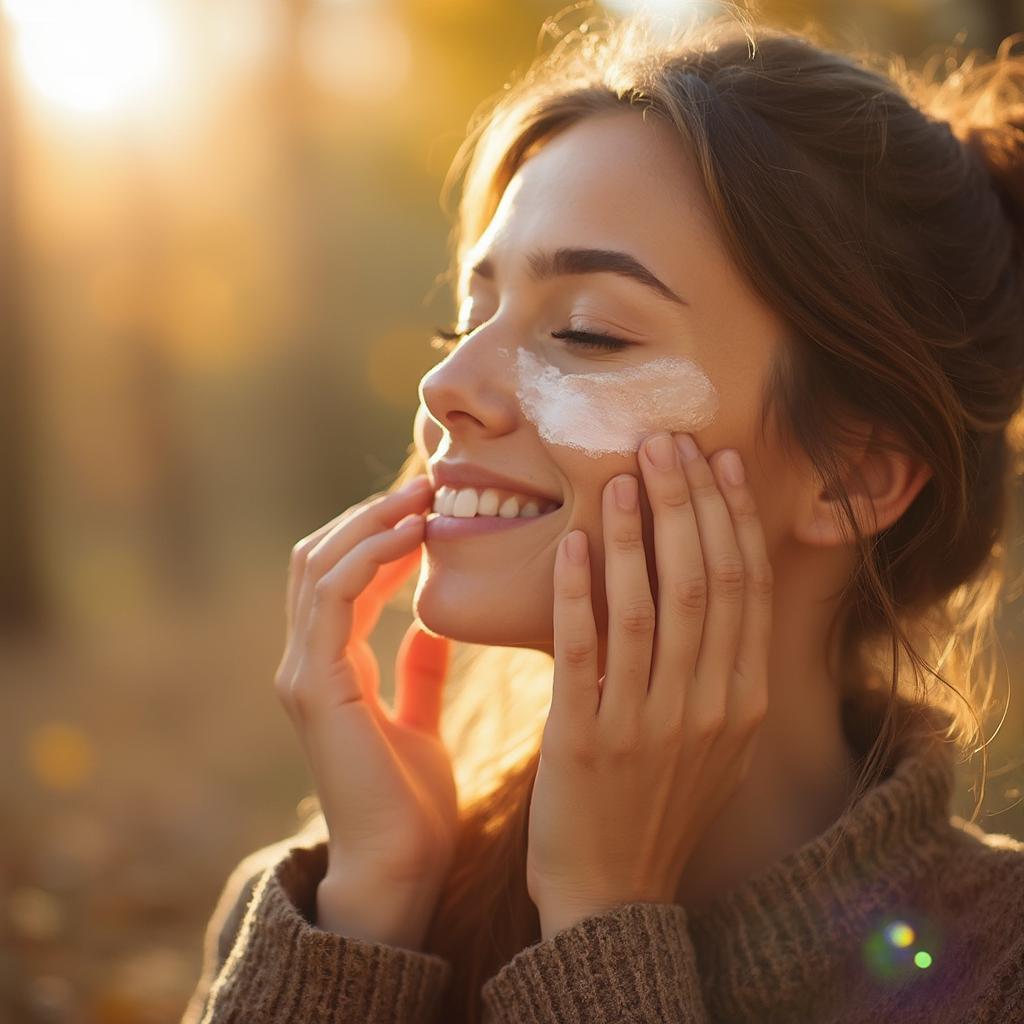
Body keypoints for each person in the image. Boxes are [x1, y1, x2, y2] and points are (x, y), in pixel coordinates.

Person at [181, 6, 1024, 1022]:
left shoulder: (995, 965)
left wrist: (600, 922)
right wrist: (372, 915)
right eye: (468, 314)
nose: (446, 383)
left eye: (583, 333)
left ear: (855, 473)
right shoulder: (316, 912)